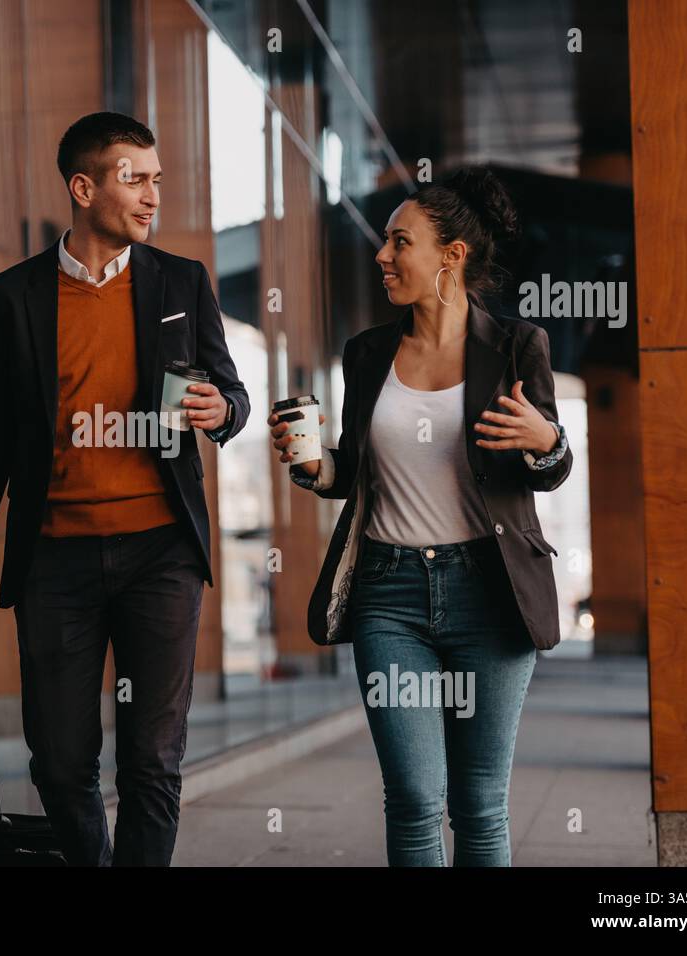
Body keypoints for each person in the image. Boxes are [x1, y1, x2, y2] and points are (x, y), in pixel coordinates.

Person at [0, 111, 249, 866]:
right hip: (55, 562)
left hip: (160, 554)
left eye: (156, 180)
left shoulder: (181, 282)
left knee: (153, 761)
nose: (151, 196)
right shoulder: (12, 299)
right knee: (61, 765)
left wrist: (223, 409)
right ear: (83, 186)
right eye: (134, 178)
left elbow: (230, 393)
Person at [269, 167, 572, 866]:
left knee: (480, 805)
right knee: (411, 798)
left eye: (399, 242)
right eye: (384, 242)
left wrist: (547, 442)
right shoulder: (368, 353)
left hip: (491, 594)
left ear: (451, 256)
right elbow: (353, 467)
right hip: (389, 595)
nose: (382, 256)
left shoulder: (518, 348)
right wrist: (317, 470)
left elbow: (551, 468)